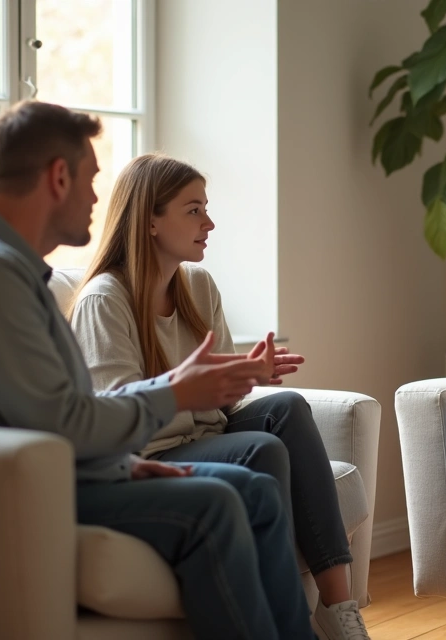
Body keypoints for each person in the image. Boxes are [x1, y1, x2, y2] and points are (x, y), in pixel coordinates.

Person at [0, 101, 315, 640]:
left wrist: (121, 465)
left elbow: (44, 413)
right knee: (217, 504)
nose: (96, 197)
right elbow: (61, 420)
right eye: (90, 179)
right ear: (58, 177)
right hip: (6, 491)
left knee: (254, 492)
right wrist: (176, 392)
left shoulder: (3, 267)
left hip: (51, 470)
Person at [67, 152, 370, 640]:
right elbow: (118, 417)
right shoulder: (105, 299)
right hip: (153, 453)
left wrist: (249, 374)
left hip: (206, 434)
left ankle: (340, 612)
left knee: (287, 407)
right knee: (264, 448)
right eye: (193, 210)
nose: (208, 222)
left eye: (205, 208)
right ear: (149, 221)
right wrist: (197, 390)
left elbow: (223, 405)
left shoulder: (199, 287)